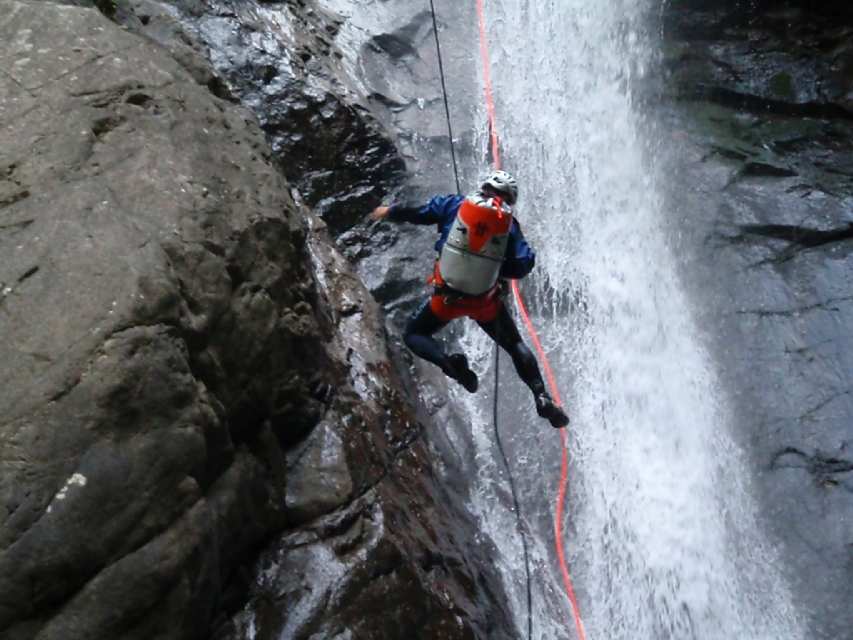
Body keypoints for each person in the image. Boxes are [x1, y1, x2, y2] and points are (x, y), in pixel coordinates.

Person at [369, 169, 569, 429]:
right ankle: (541, 396)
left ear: (484, 187)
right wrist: (497, 268)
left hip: (446, 298)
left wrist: (390, 211)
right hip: (484, 302)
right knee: (515, 344)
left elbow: (420, 212)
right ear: (508, 199)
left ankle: (450, 365)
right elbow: (523, 263)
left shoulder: (456, 204)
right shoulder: (508, 225)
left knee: (414, 334)